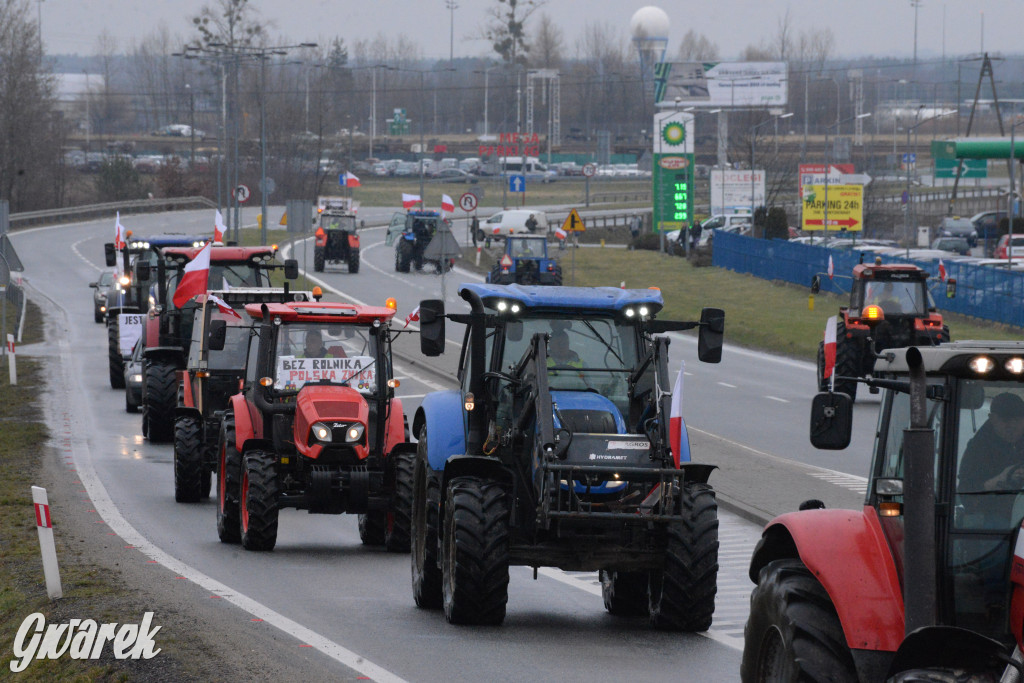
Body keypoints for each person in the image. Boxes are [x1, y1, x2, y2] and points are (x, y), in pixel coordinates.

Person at [959, 392, 1024, 493]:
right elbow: (965, 491)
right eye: (1006, 421)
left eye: (1017, 420)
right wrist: (996, 482)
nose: (1012, 427)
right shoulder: (978, 448)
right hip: (990, 507)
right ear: (993, 419)